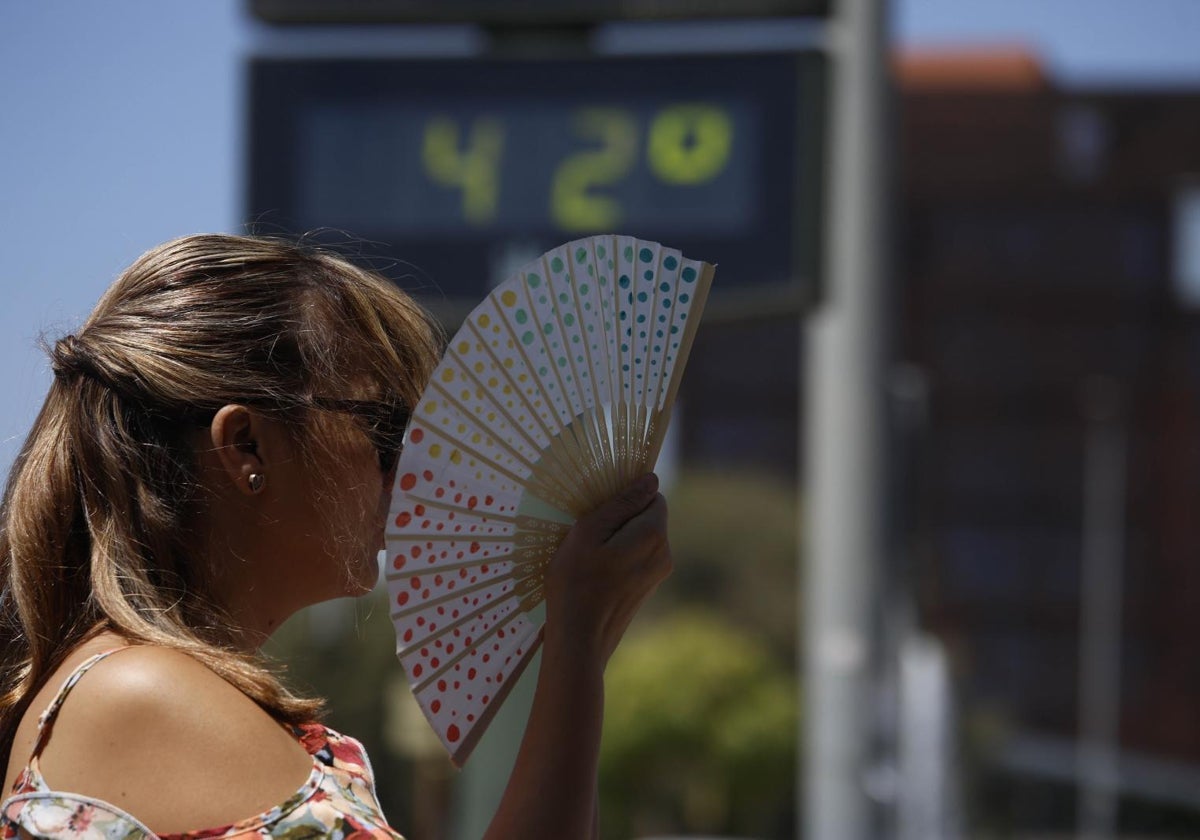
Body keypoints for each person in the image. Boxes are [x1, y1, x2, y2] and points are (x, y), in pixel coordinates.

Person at [0, 234, 671, 839]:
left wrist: (581, 640)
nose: (411, 471)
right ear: (247, 446)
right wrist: (577, 646)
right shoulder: (144, 696)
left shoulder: (138, 688)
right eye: (385, 430)